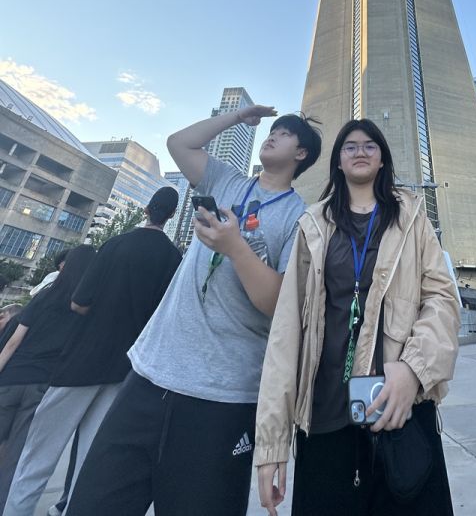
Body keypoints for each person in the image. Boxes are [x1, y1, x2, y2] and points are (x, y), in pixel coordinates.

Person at [65, 106, 321, 516]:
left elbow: (279, 304)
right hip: (151, 373)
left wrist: (236, 249)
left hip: (224, 396)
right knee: (93, 505)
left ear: (302, 154)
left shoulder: (300, 218)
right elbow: (179, 143)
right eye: (272, 129)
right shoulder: (226, 180)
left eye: (286, 133)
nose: (273, 135)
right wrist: (238, 116)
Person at [255, 118, 460, 516]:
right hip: (324, 417)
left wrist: (413, 369)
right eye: (350, 146)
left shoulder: (411, 218)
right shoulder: (313, 225)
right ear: (338, 161)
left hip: (400, 410)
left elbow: (442, 298)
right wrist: (272, 442)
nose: (360, 151)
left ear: (382, 159)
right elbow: (286, 331)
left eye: (370, 145)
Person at [5, 186, 182, 516]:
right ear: (172, 215)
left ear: (146, 210)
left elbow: (79, 303)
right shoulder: (174, 258)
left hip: (81, 362)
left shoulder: (115, 244)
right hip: (125, 369)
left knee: (38, 456)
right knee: (89, 462)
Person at [0, 245, 97, 510]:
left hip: (11, 378)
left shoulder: (45, 295)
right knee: (16, 456)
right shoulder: (87, 308)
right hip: (43, 385)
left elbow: (13, 342)